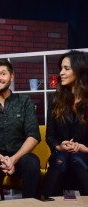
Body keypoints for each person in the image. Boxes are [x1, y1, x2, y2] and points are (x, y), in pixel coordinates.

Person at [0, 58, 41, 201]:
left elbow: (33, 135)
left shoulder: (25, 101)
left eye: (3, 73)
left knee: (32, 161)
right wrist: (2, 159)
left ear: (12, 76)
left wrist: (14, 159)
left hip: (20, 158)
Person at [43, 50, 88, 198]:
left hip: (85, 155)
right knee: (60, 159)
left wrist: (83, 148)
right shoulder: (56, 99)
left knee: (77, 159)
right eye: (61, 68)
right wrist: (59, 146)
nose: (61, 73)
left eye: (66, 68)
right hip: (61, 154)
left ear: (79, 70)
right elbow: (50, 136)